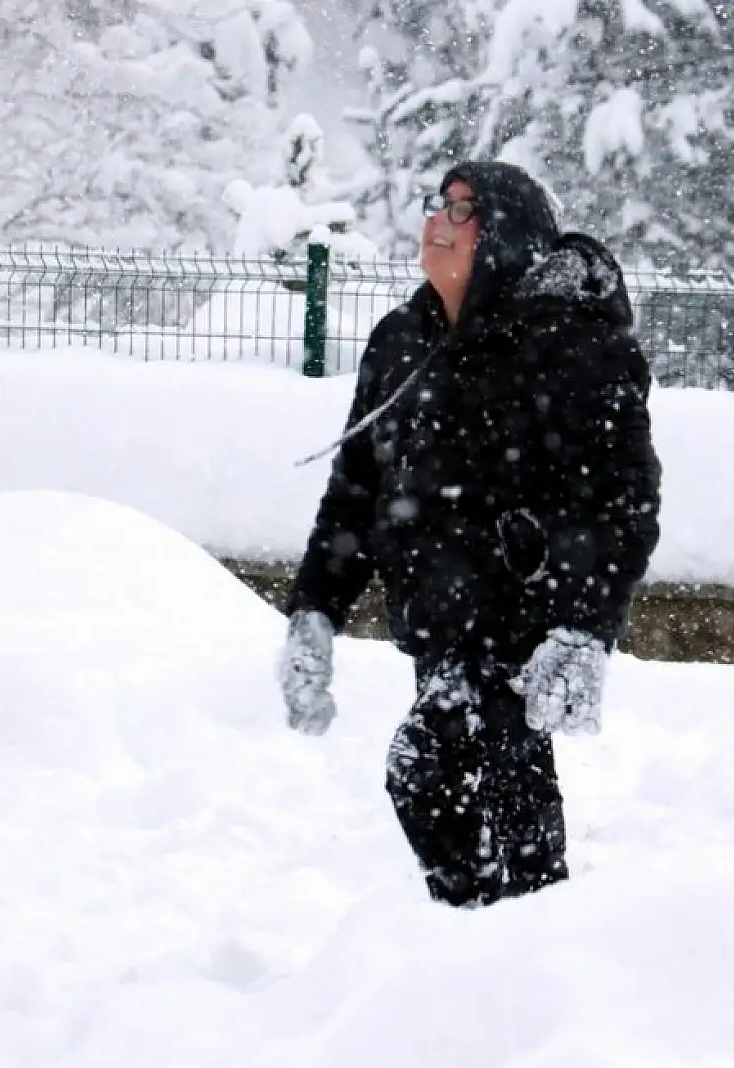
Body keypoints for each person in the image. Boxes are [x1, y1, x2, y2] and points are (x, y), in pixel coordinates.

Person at [277, 161, 662, 908]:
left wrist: (583, 626)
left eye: (463, 210)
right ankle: (521, 949)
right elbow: (357, 489)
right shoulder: (402, 340)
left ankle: (480, 943)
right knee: (507, 812)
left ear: (505, 235)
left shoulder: (571, 342)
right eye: (437, 205)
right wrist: (315, 609)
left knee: (428, 769)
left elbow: (620, 499)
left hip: (523, 628)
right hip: (437, 624)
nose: (437, 221)